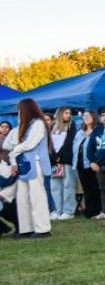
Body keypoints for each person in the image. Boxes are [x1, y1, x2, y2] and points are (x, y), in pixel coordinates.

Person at [5, 98, 53, 237]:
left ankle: (43, 229)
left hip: (35, 163)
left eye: (20, 110)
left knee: (37, 196)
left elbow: (30, 144)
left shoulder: (38, 124)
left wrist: (15, 150)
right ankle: (26, 229)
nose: (18, 113)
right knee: (22, 198)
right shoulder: (23, 126)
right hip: (22, 164)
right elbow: (16, 146)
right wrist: (14, 162)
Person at [48, 107, 77, 220]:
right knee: (55, 186)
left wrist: (59, 154)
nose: (68, 115)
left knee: (68, 185)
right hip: (54, 161)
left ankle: (68, 210)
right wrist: (54, 156)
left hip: (66, 159)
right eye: (66, 113)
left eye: (69, 113)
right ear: (60, 113)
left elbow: (69, 141)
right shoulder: (52, 126)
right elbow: (49, 142)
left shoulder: (71, 125)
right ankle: (57, 210)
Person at [73, 111, 101, 218]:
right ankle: (89, 210)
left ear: (93, 117)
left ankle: (97, 209)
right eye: (84, 116)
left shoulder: (97, 131)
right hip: (80, 163)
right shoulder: (80, 132)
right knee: (86, 188)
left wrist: (95, 161)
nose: (85, 118)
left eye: (88, 116)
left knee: (94, 187)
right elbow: (74, 147)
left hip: (92, 163)